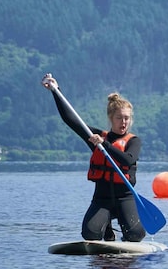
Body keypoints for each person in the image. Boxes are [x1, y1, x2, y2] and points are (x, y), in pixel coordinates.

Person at [41, 73, 145, 242]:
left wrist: (105, 145)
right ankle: (107, 229)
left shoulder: (134, 141)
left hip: (125, 198)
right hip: (101, 199)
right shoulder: (95, 136)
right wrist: (55, 90)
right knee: (90, 235)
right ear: (111, 118)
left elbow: (127, 160)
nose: (123, 122)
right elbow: (71, 120)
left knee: (135, 235)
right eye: (119, 118)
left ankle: (124, 229)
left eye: (127, 118)